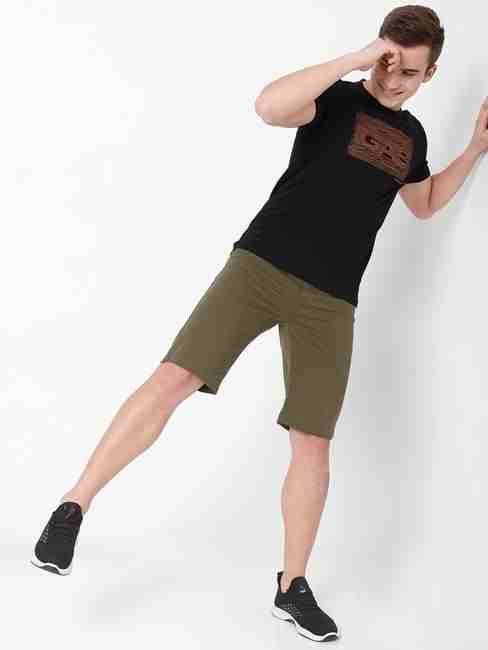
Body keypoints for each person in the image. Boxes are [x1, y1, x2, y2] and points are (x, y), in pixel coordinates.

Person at [31, 5, 487, 642]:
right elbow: (269, 106)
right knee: (173, 379)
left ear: (429, 74)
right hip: (261, 265)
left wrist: (476, 148)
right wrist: (358, 59)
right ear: (376, 52)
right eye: (387, 63)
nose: (392, 79)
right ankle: (72, 507)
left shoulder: (412, 138)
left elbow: (426, 202)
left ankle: (291, 586)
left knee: (313, 443)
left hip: (332, 299)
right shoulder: (333, 99)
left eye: (408, 72)